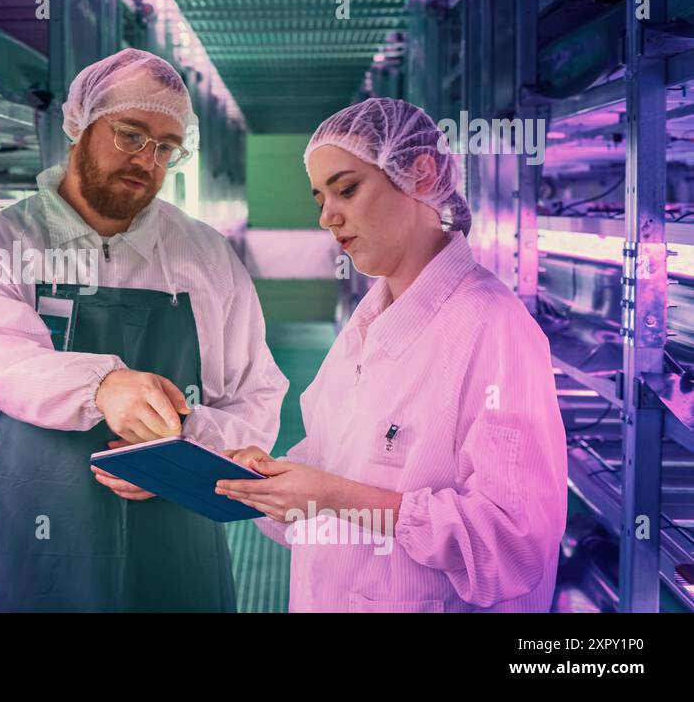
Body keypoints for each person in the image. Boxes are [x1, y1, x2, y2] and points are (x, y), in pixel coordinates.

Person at [0, 48, 289, 612]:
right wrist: (103, 385)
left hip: (174, 523)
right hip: (35, 525)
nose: (147, 160)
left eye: (165, 148)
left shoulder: (205, 257)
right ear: (80, 127)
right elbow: (4, 361)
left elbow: (256, 394)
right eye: (130, 135)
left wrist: (184, 457)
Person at [216, 97, 568, 612]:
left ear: (421, 173)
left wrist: (334, 496)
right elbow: (332, 464)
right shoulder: (368, 321)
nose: (327, 217)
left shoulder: (494, 329)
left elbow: (512, 545)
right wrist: (268, 480)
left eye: (347, 189)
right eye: (319, 199)